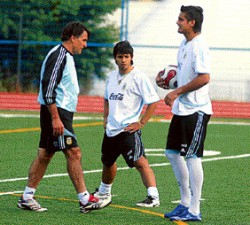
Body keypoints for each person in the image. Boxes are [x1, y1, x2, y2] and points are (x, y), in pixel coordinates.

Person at [17, 21, 108, 213]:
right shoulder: (59, 55)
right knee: (74, 153)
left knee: (45, 154)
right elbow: (48, 86)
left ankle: (27, 196)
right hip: (57, 112)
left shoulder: (64, 55)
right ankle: (85, 199)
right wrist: (56, 118)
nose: (85, 44)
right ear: (73, 37)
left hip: (57, 112)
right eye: (83, 40)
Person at [156, 6, 212, 222]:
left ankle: (194, 210)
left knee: (192, 156)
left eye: (181, 19)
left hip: (196, 110)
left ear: (192, 23)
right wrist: (167, 81)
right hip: (182, 109)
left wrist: (176, 91)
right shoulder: (184, 44)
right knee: (171, 152)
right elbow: (186, 75)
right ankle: (185, 202)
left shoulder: (200, 46)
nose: (177, 22)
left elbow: (204, 77)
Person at [93, 40, 160, 207]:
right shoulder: (112, 77)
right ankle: (104, 192)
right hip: (111, 130)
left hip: (128, 130)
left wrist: (141, 122)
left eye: (126, 57)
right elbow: (107, 99)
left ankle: (153, 196)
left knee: (140, 161)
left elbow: (153, 101)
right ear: (115, 59)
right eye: (120, 57)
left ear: (131, 58)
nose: (123, 60)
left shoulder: (139, 77)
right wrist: (105, 118)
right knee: (107, 162)